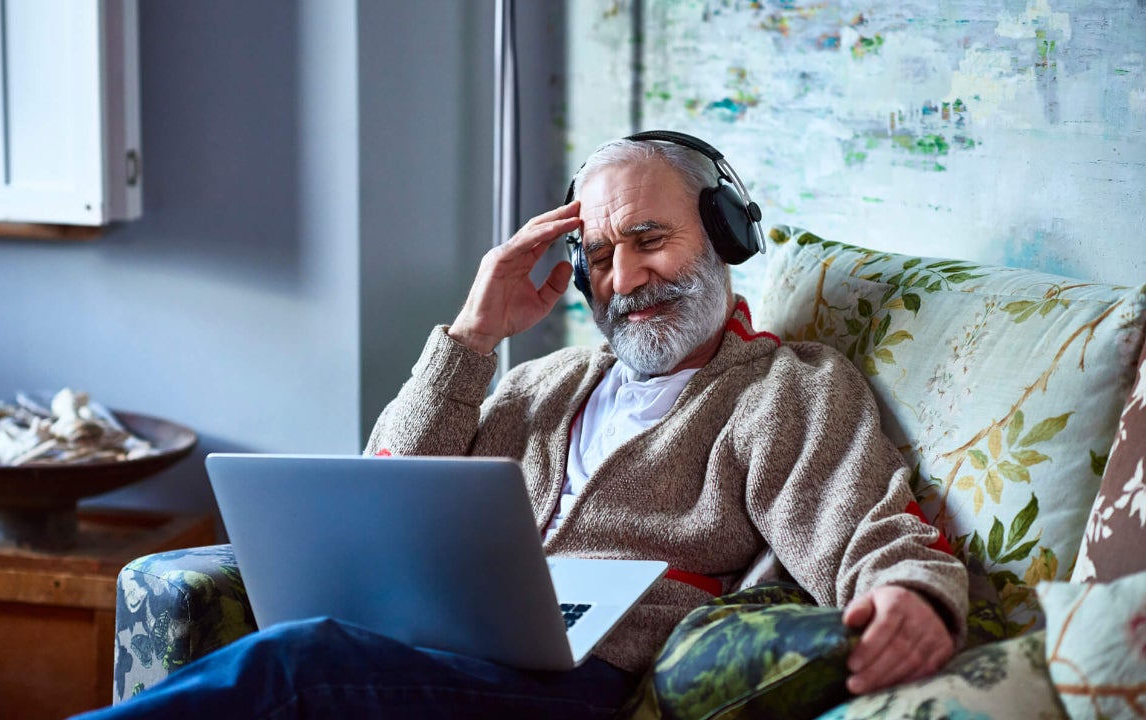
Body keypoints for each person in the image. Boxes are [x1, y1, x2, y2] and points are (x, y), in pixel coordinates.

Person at [76, 133, 968, 720]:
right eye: (602, 256)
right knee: (296, 652)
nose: (625, 279)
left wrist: (915, 597)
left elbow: (867, 526)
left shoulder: (784, 390)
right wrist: (472, 334)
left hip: (582, 682)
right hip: (443, 647)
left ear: (724, 235)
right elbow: (386, 492)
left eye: (650, 239)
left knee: (297, 666)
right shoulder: (545, 383)